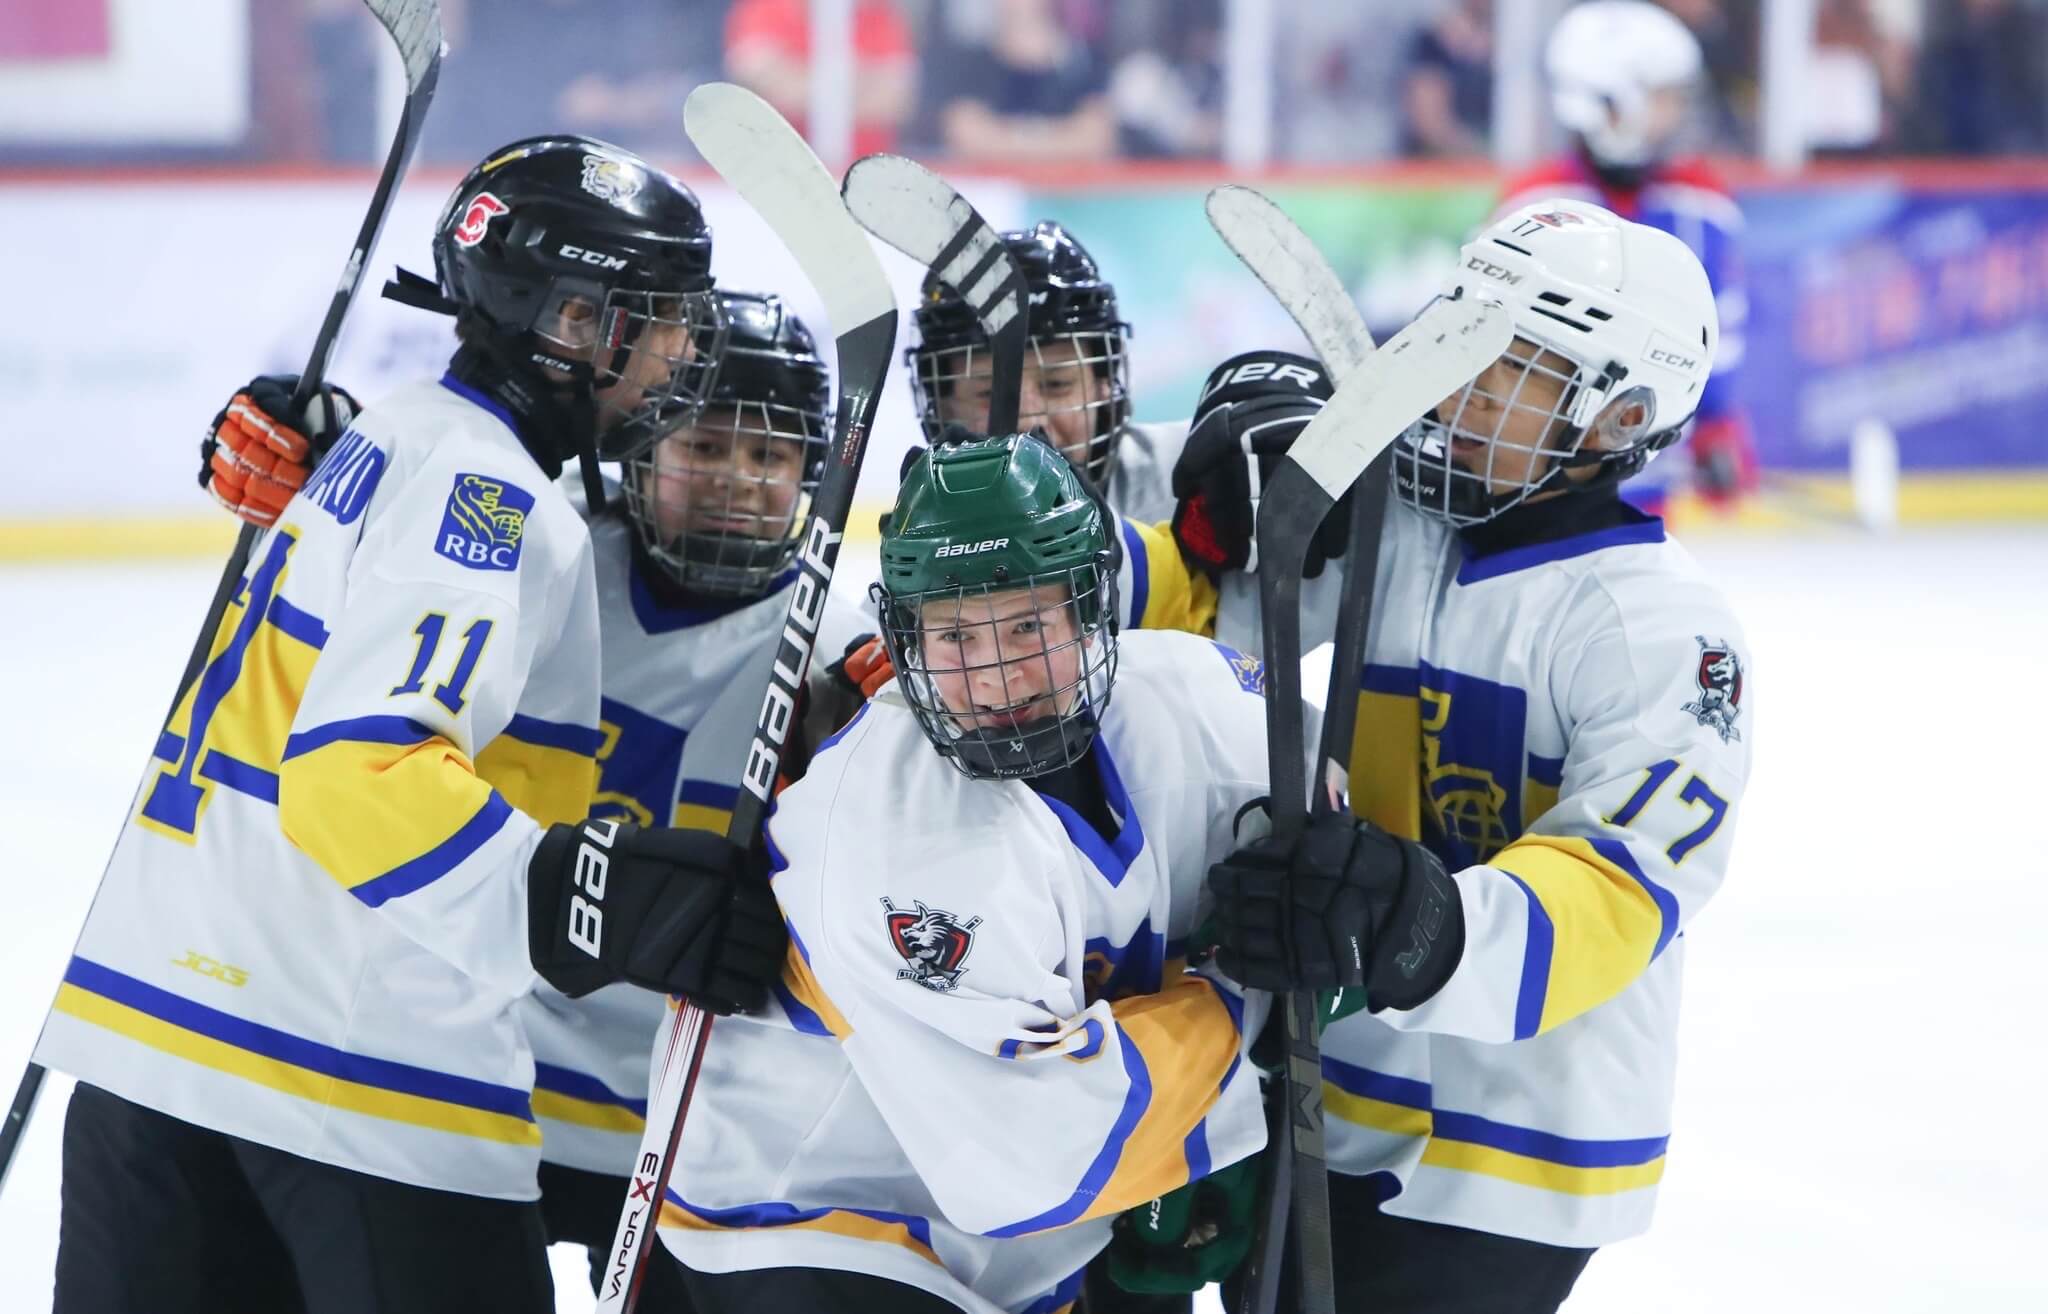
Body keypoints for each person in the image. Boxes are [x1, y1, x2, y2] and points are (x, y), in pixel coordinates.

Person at [38, 135, 785, 1313]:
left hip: (159, 1041)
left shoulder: (394, 439)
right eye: (660, 319)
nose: (683, 351)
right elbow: (360, 776)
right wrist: (580, 898)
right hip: (353, 1073)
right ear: (573, 323)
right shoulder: (485, 495)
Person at [195, 286, 871, 1306]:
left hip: (696, 1117)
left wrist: (911, 719)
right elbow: (374, 597)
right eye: (704, 447)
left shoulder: (841, 655)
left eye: (771, 456)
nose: (738, 480)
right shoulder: (529, 549)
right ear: (643, 449)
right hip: (479, 1070)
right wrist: (318, 475)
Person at [1184, 199, 1753, 1312]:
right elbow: (1201, 625)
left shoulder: (1659, 630)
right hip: (1330, 1093)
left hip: (1516, 1149)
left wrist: (1422, 925)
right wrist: (1220, 496)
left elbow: (1622, 885)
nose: (1466, 387)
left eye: (1515, 366)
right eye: (1466, 344)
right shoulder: (1396, 526)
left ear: (1618, 414)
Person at [655, 431, 1276, 1314]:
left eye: (1027, 624)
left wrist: (1358, 904)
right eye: (953, 635)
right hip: (814, 1215)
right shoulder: (894, 824)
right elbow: (1035, 1158)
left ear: (1091, 609)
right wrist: (1247, 1003)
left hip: (1020, 1249)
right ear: (905, 640)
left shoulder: (1202, 704)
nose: (996, 678)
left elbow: (1329, 825)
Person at [1498, 0, 1757, 513]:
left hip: (1644, 495)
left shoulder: (1703, 204)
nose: (1676, 114)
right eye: (1661, 98)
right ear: (1606, 104)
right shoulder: (1532, 207)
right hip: (1535, 487)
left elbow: (1715, 337)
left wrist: (1716, 426)